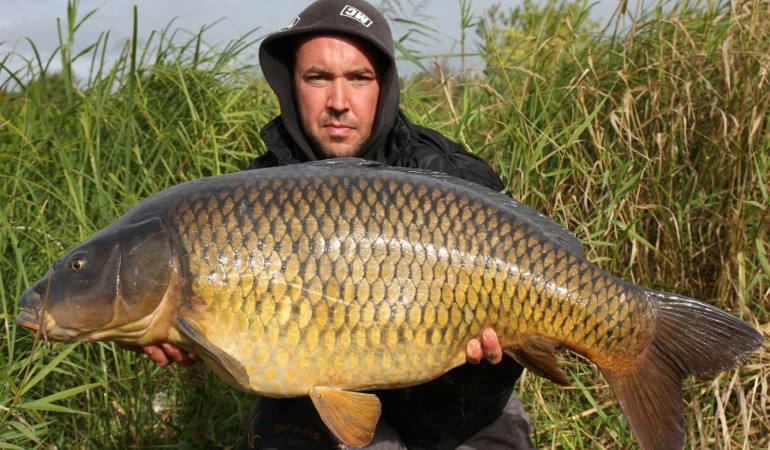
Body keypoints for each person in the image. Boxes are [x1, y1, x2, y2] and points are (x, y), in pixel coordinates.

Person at [136, 1, 534, 448]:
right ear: (291, 85)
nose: (339, 102)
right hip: (323, 411)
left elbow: (508, 358)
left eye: (358, 78)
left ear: (383, 86)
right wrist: (177, 331)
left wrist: (480, 369)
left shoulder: (451, 176)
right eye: (318, 78)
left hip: (462, 414)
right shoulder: (253, 194)